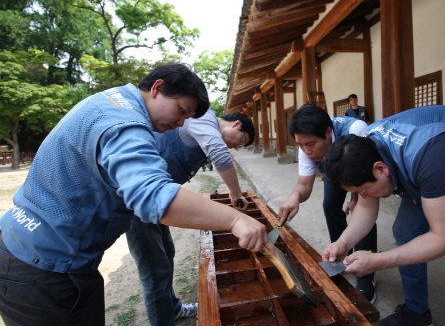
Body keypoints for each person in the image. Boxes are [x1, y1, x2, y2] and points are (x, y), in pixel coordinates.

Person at [0, 63, 273, 326]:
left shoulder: (111, 101)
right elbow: (152, 194)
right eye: (181, 110)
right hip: (44, 269)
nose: (180, 124)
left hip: (24, 248)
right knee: (154, 269)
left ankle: (173, 309)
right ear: (157, 88)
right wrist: (236, 220)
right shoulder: (125, 123)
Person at [322, 105, 445, 326]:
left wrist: (377, 261)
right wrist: (344, 242)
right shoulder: (364, 147)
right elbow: (367, 207)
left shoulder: (428, 156)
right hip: (438, 168)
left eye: (362, 191)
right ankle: (417, 314)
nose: (362, 197)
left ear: (381, 168)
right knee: (405, 231)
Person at [126, 110, 255, 324]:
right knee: (154, 271)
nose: (237, 147)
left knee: (166, 252)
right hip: (140, 201)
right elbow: (219, 153)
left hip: (159, 199)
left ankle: (173, 309)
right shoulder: (204, 118)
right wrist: (236, 194)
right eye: (241, 141)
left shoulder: (208, 128)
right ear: (236, 124)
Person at [277, 104, 377, 302]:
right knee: (330, 205)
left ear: (329, 132)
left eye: (311, 144)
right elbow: (304, 185)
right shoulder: (305, 145)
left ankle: (367, 276)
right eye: (300, 145)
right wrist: (295, 197)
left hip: (358, 172)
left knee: (362, 212)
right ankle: (340, 257)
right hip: (334, 172)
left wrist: (354, 198)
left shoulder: (356, 130)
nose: (306, 151)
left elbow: (367, 177)